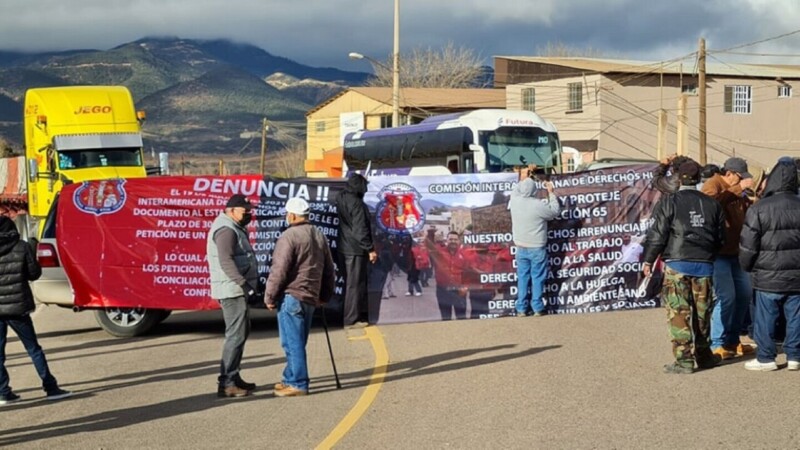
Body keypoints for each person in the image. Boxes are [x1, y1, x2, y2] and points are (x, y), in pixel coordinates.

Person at [642, 161, 725, 374]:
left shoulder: (669, 202)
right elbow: (720, 237)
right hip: (705, 265)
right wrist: (708, 255)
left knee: (679, 314)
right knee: (702, 314)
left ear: (679, 179)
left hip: (677, 264)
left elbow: (658, 234)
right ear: (699, 179)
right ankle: (705, 357)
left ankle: (684, 361)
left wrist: (649, 260)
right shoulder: (712, 204)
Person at [265, 197, 336, 396]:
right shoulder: (319, 235)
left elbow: (279, 270)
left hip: (292, 295)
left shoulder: (289, 236)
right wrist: (325, 295)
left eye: (288, 213)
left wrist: (270, 296)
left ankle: (298, 383)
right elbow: (329, 270)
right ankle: (290, 377)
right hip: (311, 295)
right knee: (296, 341)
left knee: (291, 342)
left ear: (293, 215)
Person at [0, 216, 72, 405]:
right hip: (18, 308)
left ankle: (3, 392)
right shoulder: (22, 247)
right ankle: (51, 387)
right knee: (33, 349)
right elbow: (34, 274)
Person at [739, 160, 800, 371]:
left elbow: (748, 244)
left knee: (765, 316)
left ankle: (766, 358)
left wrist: (746, 266)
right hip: (797, 274)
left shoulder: (759, 208)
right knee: (796, 316)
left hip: (767, 273)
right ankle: (794, 356)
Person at [701, 156, 756, 360]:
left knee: (744, 294)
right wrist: (735, 190)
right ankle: (717, 343)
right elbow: (710, 206)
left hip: (737, 252)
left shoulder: (737, 191)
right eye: (739, 178)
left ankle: (733, 340)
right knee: (726, 297)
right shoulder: (712, 184)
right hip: (719, 253)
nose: (741, 182)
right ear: (730, 173)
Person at [206, 194, 259, 398]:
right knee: (235, 336)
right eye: (245, 211)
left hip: (235, 289)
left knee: (241, 333)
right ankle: (227, 382)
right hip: (232, 290)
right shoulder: (226, 230)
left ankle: (234, 376)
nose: (249, 214)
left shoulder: (233, 226)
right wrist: (244, 284)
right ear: (231, 211)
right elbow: (226, 261)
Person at [508, 177, 560, 317]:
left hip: (521, 247)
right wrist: (551, 192)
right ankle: (537, 307)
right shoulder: (538, 205)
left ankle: (521, 309)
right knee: (537, 278)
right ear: (534, 191)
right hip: (537, 247)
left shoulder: (514, 201)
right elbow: (555, 211)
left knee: (523, 278)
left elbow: (516, 189)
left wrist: (524, 177)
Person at [336, 174, 377, 329]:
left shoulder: (341, 197)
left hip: (343, 246)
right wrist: (370, 249)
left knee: (348, 284)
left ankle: (348, 315)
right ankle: (351, 320)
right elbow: (360, 230)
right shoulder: (357, 204)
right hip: (355, 249)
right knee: (355, 285)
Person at [427, 231, 469, 320]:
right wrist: (430, 234)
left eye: (455, 239)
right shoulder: (439, 252)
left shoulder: (464, 254)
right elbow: (430, 247)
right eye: (451, 239)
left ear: (459, 241)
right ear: (447, 240)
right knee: (446, 318)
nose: (453, 241)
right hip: (443, 290)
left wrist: (465, 286)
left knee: (461, 318)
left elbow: (467, 272)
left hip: (459, 291)